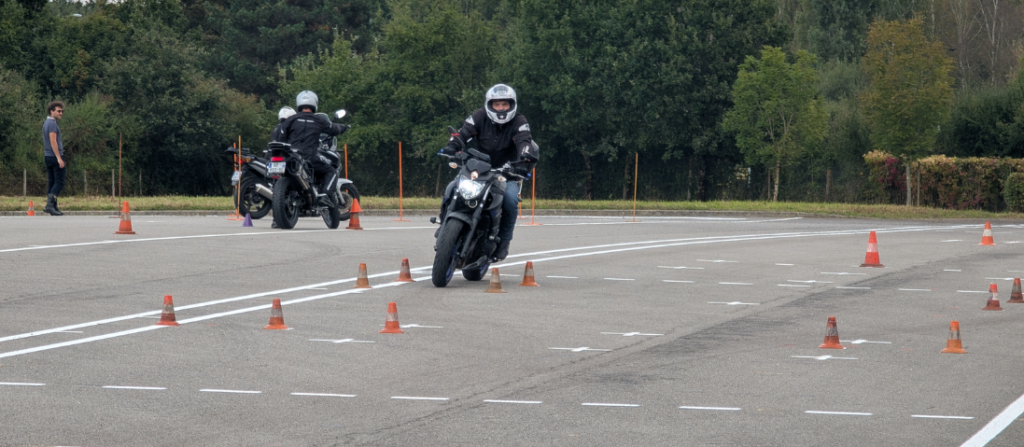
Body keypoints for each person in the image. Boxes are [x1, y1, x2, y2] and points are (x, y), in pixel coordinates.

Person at [442, 84, 539, 261]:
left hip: (507, 171)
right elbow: (463, 134)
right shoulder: (479, 116)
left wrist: (524, 156)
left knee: (510, 200)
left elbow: (524, 140)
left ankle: (503, 243)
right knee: (453, 187)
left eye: (504, 104)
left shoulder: (520, 121)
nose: (501, 108)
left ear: (512, 105)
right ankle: (444, 225)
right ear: (490, 105)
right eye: (497, 105)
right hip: (478, 169)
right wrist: (452, 147)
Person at [278, 91, 348, 204]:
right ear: (314, 103)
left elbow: (281, 137)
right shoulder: (319, 120)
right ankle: (325, 194)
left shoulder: (291, 120)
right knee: (332, 171)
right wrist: (344, 127)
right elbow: (333, 128)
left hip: (291, 158)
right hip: (309, 158)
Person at [42, 101, 66, 216]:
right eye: (58, 111)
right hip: (54, 156)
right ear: (52, 111)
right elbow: (53, 141)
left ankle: (53, 206)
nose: (61, 113)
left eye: (62, 111)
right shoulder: (52, 123)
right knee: (60, 182)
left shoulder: (46, 123)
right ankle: (49, 205)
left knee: (52, 181)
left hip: (47, 156)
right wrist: (59, 158)